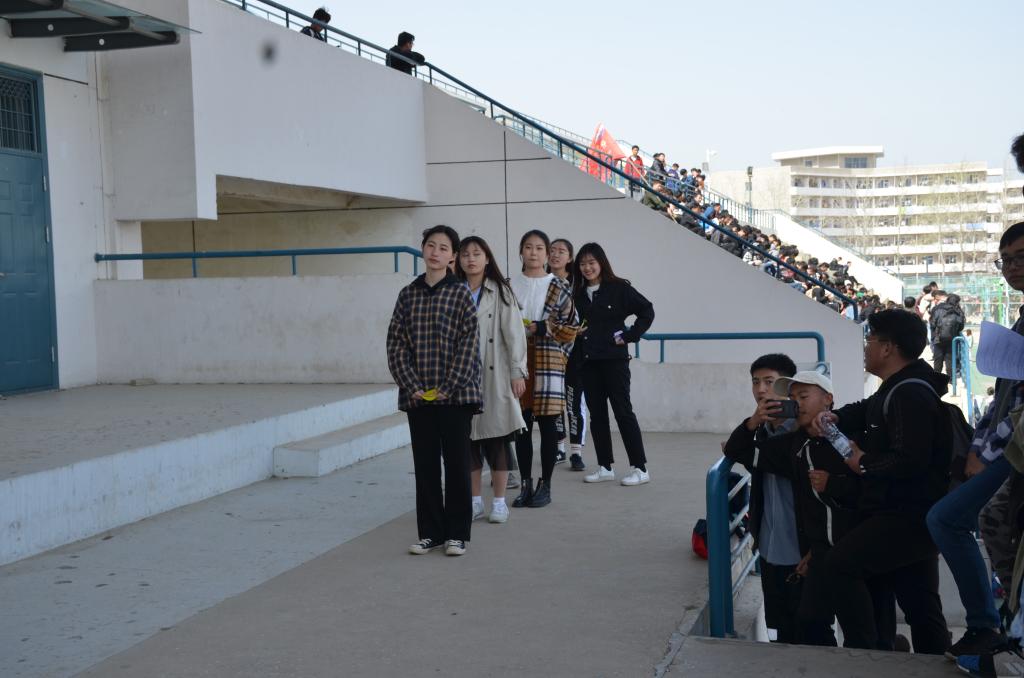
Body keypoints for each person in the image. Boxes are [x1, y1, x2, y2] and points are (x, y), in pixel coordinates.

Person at [816, 309, 951, 654]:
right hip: (913, 514)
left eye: (870, 339)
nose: (866, 347)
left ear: (888, 348)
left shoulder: (909, 394)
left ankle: (867, 653)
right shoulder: (897, 387)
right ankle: (931, 660)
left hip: (905, 515)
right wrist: (835, 417)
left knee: (840, 566)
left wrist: (863, 463)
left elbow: (910, 458)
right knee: (921, 605)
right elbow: (868, 409)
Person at [930, 221, 1024, 661]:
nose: (1012, 267)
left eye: (1020, 257)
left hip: (1014, 452)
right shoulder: (1020, 321)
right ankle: (997, 624)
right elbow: (1004, 397)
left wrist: (985, 454)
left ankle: (995, 623)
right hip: (1006, 448)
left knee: (953, 518)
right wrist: (976, 448)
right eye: (1005, 261)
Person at [725, 370, 862, 646]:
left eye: (803, 396)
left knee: (859, 629)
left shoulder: (849, 439)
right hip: (815, 555)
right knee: (808, 623)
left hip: (852, 552)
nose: (797, 403)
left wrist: (833, 484)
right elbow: (737, 450)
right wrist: (753, 422)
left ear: (828, 399)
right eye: (793, 397)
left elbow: (869, 490)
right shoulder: (793, 445)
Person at [387, 225, 482, 557]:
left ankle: (457, 533)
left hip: (456, 397)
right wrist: (412, 386)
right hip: (418, 397)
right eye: (431, 245)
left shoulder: (460, 294)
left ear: (452, 256)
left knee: (457, 465)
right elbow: (396, 344)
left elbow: (469, 344)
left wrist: (448, 386)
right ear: (423, 249)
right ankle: (430, 532)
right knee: (425, 466)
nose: (435, 252)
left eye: (443, 248)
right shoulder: (407, 294)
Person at [721, 354, 804, 643]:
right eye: (755, 382)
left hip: (803, 550)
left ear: (788, 386)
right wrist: (753, 423)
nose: (760, 390)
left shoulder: (803, 430)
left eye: (769, 382)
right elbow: (736, 450)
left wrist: (744, 446)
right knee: (780, 626)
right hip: (770, 546)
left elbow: (737, 450)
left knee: (811, 627)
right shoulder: (763, 429)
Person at [456, 236, 528, 525]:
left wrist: (517, 372)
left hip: (494, 374)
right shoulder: (453, 289)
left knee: (497, 439)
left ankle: (499, 502)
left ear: (487, 258)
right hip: (462, 377)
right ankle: (475, 502)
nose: (471, 259)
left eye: (477, 254)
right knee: (469, 442)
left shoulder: (500, 290)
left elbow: (515, 334)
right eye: (465, 254)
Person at [573, 243, 655, 486]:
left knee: (623, 412)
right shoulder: (578, 293)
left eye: (591, 263)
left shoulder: (619, 288)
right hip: (588, 362)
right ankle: (605, 467)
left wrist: (630, 335)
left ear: (601, 263)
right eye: (583, 264)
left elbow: (646, 310)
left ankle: (640, 468)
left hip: (614, 362)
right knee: (597, 416)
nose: (587, 268)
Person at [510, 230, 580, 508]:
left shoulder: (559, 286)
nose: (534, 253)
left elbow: (572, 328)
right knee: (522, 425)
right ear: (521, 251)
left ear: (547, 253)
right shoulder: (508, 285)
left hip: (549, 360)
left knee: (549, 423)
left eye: (540, 248)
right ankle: (525, 484)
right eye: (528, 247)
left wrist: (542, 328)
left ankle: (546, 484)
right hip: (517, 360)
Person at [549, 238, 587, 471]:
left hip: (575, 353)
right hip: (549, 352)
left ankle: (576, 452)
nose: (555, 255)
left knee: (573, 402)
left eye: (561, 251)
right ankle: (558, 448)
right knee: (553, 403)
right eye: (552, 250)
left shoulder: (578, 285)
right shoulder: (542, 282)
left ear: (570, 257)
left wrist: (582, 328)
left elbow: (586, 313)